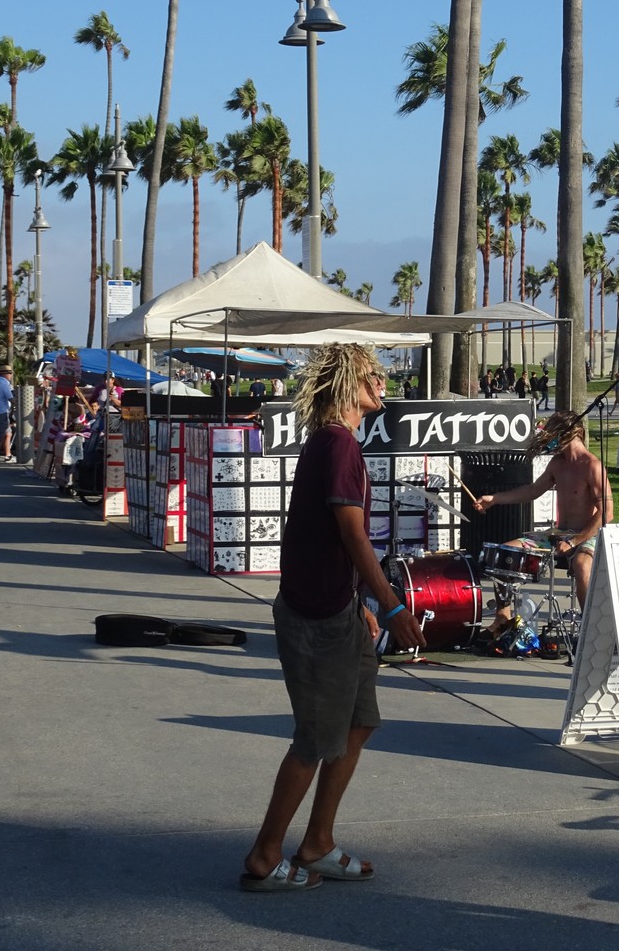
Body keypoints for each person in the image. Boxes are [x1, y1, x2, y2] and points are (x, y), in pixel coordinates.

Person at [242, 343, 425, 893]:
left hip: (338, 609)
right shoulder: (338, 445)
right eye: (375, 376)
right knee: (315, 738)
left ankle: (317, 841)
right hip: (316, 616)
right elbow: (350, 532)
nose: (383, 385)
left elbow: (331, 539)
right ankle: (264, 854)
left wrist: (359, 605)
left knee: (359, 721)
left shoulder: (334, 443)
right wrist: (390, 604)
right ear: (350, 385)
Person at [471, 410, 613, 615]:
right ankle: (503, 619)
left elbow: (606, 513)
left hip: (587, 535)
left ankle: (588, 629)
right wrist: (495, 499)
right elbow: (533, 490)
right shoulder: (557, 463)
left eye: (554, 433)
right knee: (503, 554)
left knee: (582, 565)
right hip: (558, 533)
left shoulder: (592, 465)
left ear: (571, 432)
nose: (551, 439)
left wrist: (574, 542)